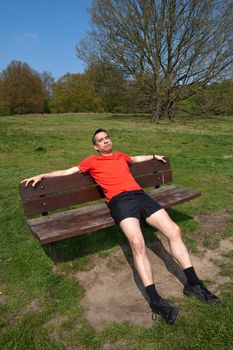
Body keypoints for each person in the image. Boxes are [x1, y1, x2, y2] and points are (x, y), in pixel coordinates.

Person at [23, 128, 219, 324]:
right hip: (120, 202)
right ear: (96, 147)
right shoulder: (91, 161)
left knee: (174, 231)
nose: (106, 142)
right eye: (101, 140)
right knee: (137, 243)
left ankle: (194, 284)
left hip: (141, 196)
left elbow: (135, 158)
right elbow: (67, 171)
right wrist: (43, 175)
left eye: (107, 138)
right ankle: (156, 300)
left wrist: (153, 156)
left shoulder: (120, 156)